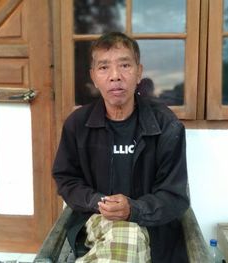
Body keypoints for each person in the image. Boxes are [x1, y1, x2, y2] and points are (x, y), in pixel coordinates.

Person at [53, 32, 190, 262]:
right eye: (104, 67)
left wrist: (134, 209)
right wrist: (96, 200)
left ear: (139, 72)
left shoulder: (166, 125)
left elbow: (174, 196)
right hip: (94, 221)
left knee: (130, 234)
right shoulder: (78, 125)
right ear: (94, 77)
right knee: (127, 236)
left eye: (124, 65)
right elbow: (66, 179)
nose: (115, 76)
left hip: (154, 227)